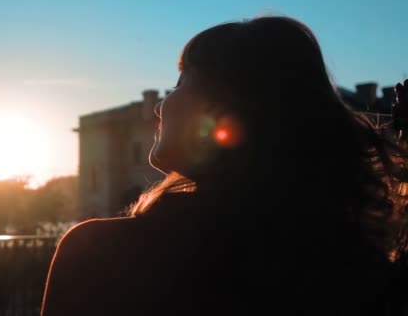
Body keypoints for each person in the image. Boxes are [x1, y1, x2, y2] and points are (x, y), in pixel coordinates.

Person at [40, 16, 408, 315]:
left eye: (181, 83)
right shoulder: (354, 270)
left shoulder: (99, 253)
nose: (159, 107)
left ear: (219, 113)